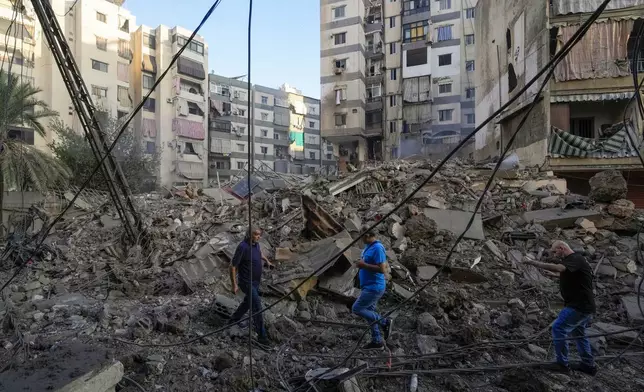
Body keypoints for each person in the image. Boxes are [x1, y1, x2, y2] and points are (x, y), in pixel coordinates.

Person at [523, 240, 597, 375]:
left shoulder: (575, 258)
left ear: (562, 248)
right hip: (585, 306)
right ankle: (588, 364)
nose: (555, 254)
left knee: (559, 328)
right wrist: (554, 276)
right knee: (579, 334)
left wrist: (533, 262)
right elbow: (572, 276)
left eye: (555, 251)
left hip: (578, 306)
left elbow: (559, 268)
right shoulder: (576, 261)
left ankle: (562, 364)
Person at [229, 227, 273, 345]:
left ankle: (234, 319)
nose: (259, 237)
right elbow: (233, 266)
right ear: (249, 235)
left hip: (255, 281)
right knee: (257, 306)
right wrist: (234, 285)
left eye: (260, 234)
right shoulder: (243, 247)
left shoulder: (256, 245)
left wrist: (267, 261)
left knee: (248, 302)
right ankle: (262, 336)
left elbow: (258, 253)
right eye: (256, 234)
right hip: (246, 282)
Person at [352, 229, 393, 350]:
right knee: (369, 313)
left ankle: (385, 322)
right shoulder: (368, 246)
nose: (361, 240)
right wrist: (360, 263)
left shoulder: (378, 248)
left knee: (357, 308)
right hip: (369, 285)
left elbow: (382, 269)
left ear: (368, 235)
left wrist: (364, 265)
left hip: (374, 287)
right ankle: (377, 341)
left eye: (362, 237)